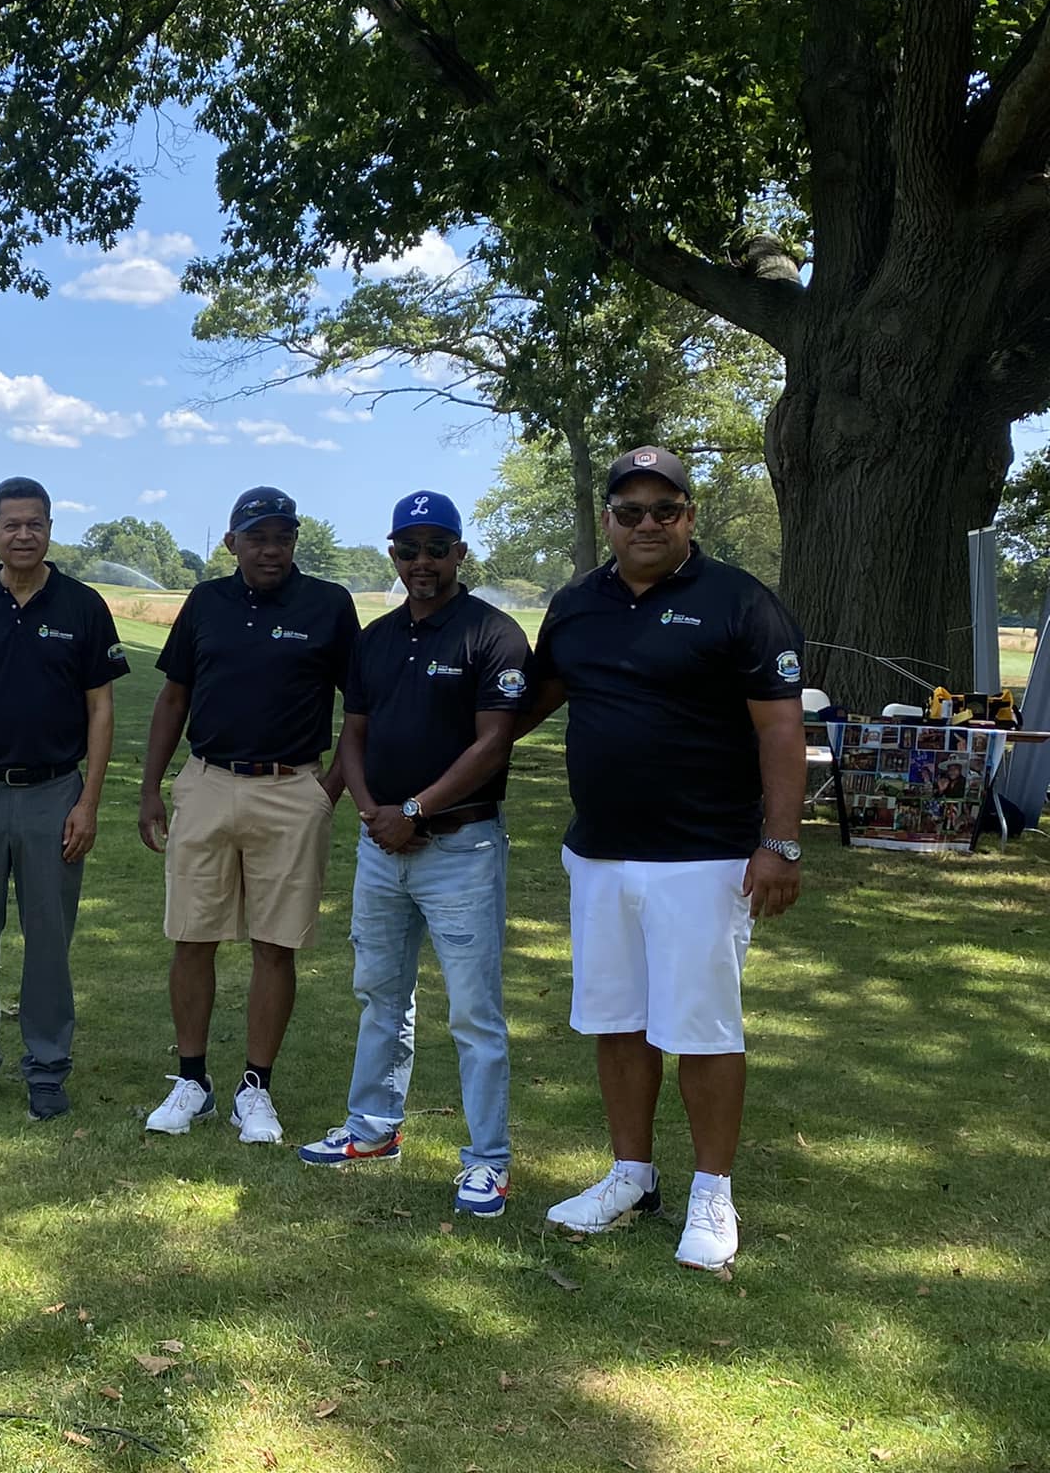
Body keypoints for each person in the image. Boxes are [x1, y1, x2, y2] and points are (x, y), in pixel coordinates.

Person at [518, 447, 805, 1271]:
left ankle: (712, 1194)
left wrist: (780, 842)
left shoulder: (740, 602)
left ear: (689, 517)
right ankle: (631, 1177)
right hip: (600, 855)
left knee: (704, 1028)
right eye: (630, 511)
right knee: (618, 1021)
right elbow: (528, 703)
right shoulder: (577, 604)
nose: (647, 523)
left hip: (705, 858)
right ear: (608, 519)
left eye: (664, 509)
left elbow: (781, 729)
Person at [297, 492, 529, 1220]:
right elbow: (355, 733)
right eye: (407, 550)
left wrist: (416, 811)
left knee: (474, 1013)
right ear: (392, 554)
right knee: (379, 993)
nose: (421, 562)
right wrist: (372, 810)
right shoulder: (376, 637)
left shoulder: (492, 634)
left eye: (435, 548)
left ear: (460, 552)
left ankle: (488, 1162)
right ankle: (372, 1128)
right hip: (381, 846)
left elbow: (494, 742)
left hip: (460, 847)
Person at [137, 486, 359, 1144]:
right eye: (257, 538)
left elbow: (362, 707)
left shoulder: (328, 604)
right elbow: (173, 698)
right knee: (192, 935)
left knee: (275, 942)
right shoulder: (207, 601)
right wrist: (151, 788)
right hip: (208, 781)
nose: (271, 550)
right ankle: (193, 1081)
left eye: (282, 538)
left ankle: (254, 1088)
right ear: (232, 543)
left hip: (292, 787)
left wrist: (330, 789)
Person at [0, 477, 129, 1121]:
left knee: (47, 939)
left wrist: (88, 801)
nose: (23, 535)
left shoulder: (82, 606)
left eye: (34, 524)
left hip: (54, 794)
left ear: (49, 530)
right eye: (10, 524)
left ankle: (46, 1066)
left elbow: (101, 710)